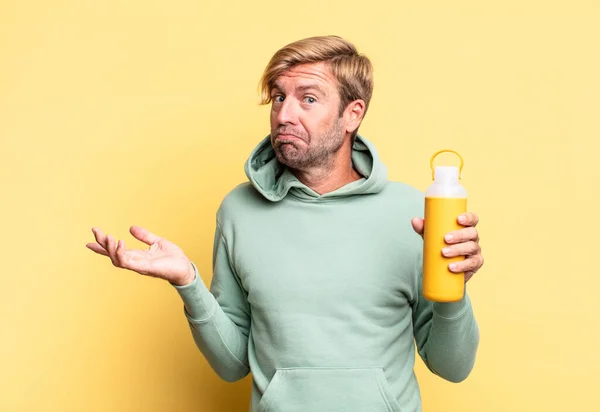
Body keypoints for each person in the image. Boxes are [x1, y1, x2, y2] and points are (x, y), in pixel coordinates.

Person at [86, 35, 484, 412]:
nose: (284, 114)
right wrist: (187, 282)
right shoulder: (239, 210)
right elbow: (231, 366)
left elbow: (452, 367)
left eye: (308, 99)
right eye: (279, 97)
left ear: (352, 114)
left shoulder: (413, 213)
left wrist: (455, 291)